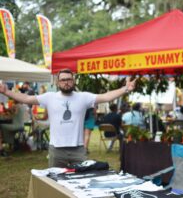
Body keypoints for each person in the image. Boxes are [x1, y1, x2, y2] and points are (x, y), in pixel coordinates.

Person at [0, 68, 137, 167]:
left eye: (69, 79)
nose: (66, 82)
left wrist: (125, 89)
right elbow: (27, 99)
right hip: (56, 150)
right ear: (58, 82)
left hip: (78, 150)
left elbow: (106, 96)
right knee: (55, 184)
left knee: (80, 183)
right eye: (63, 80)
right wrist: (6, 91)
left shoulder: (83, 97)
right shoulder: (49, 97)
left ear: (74, 80)